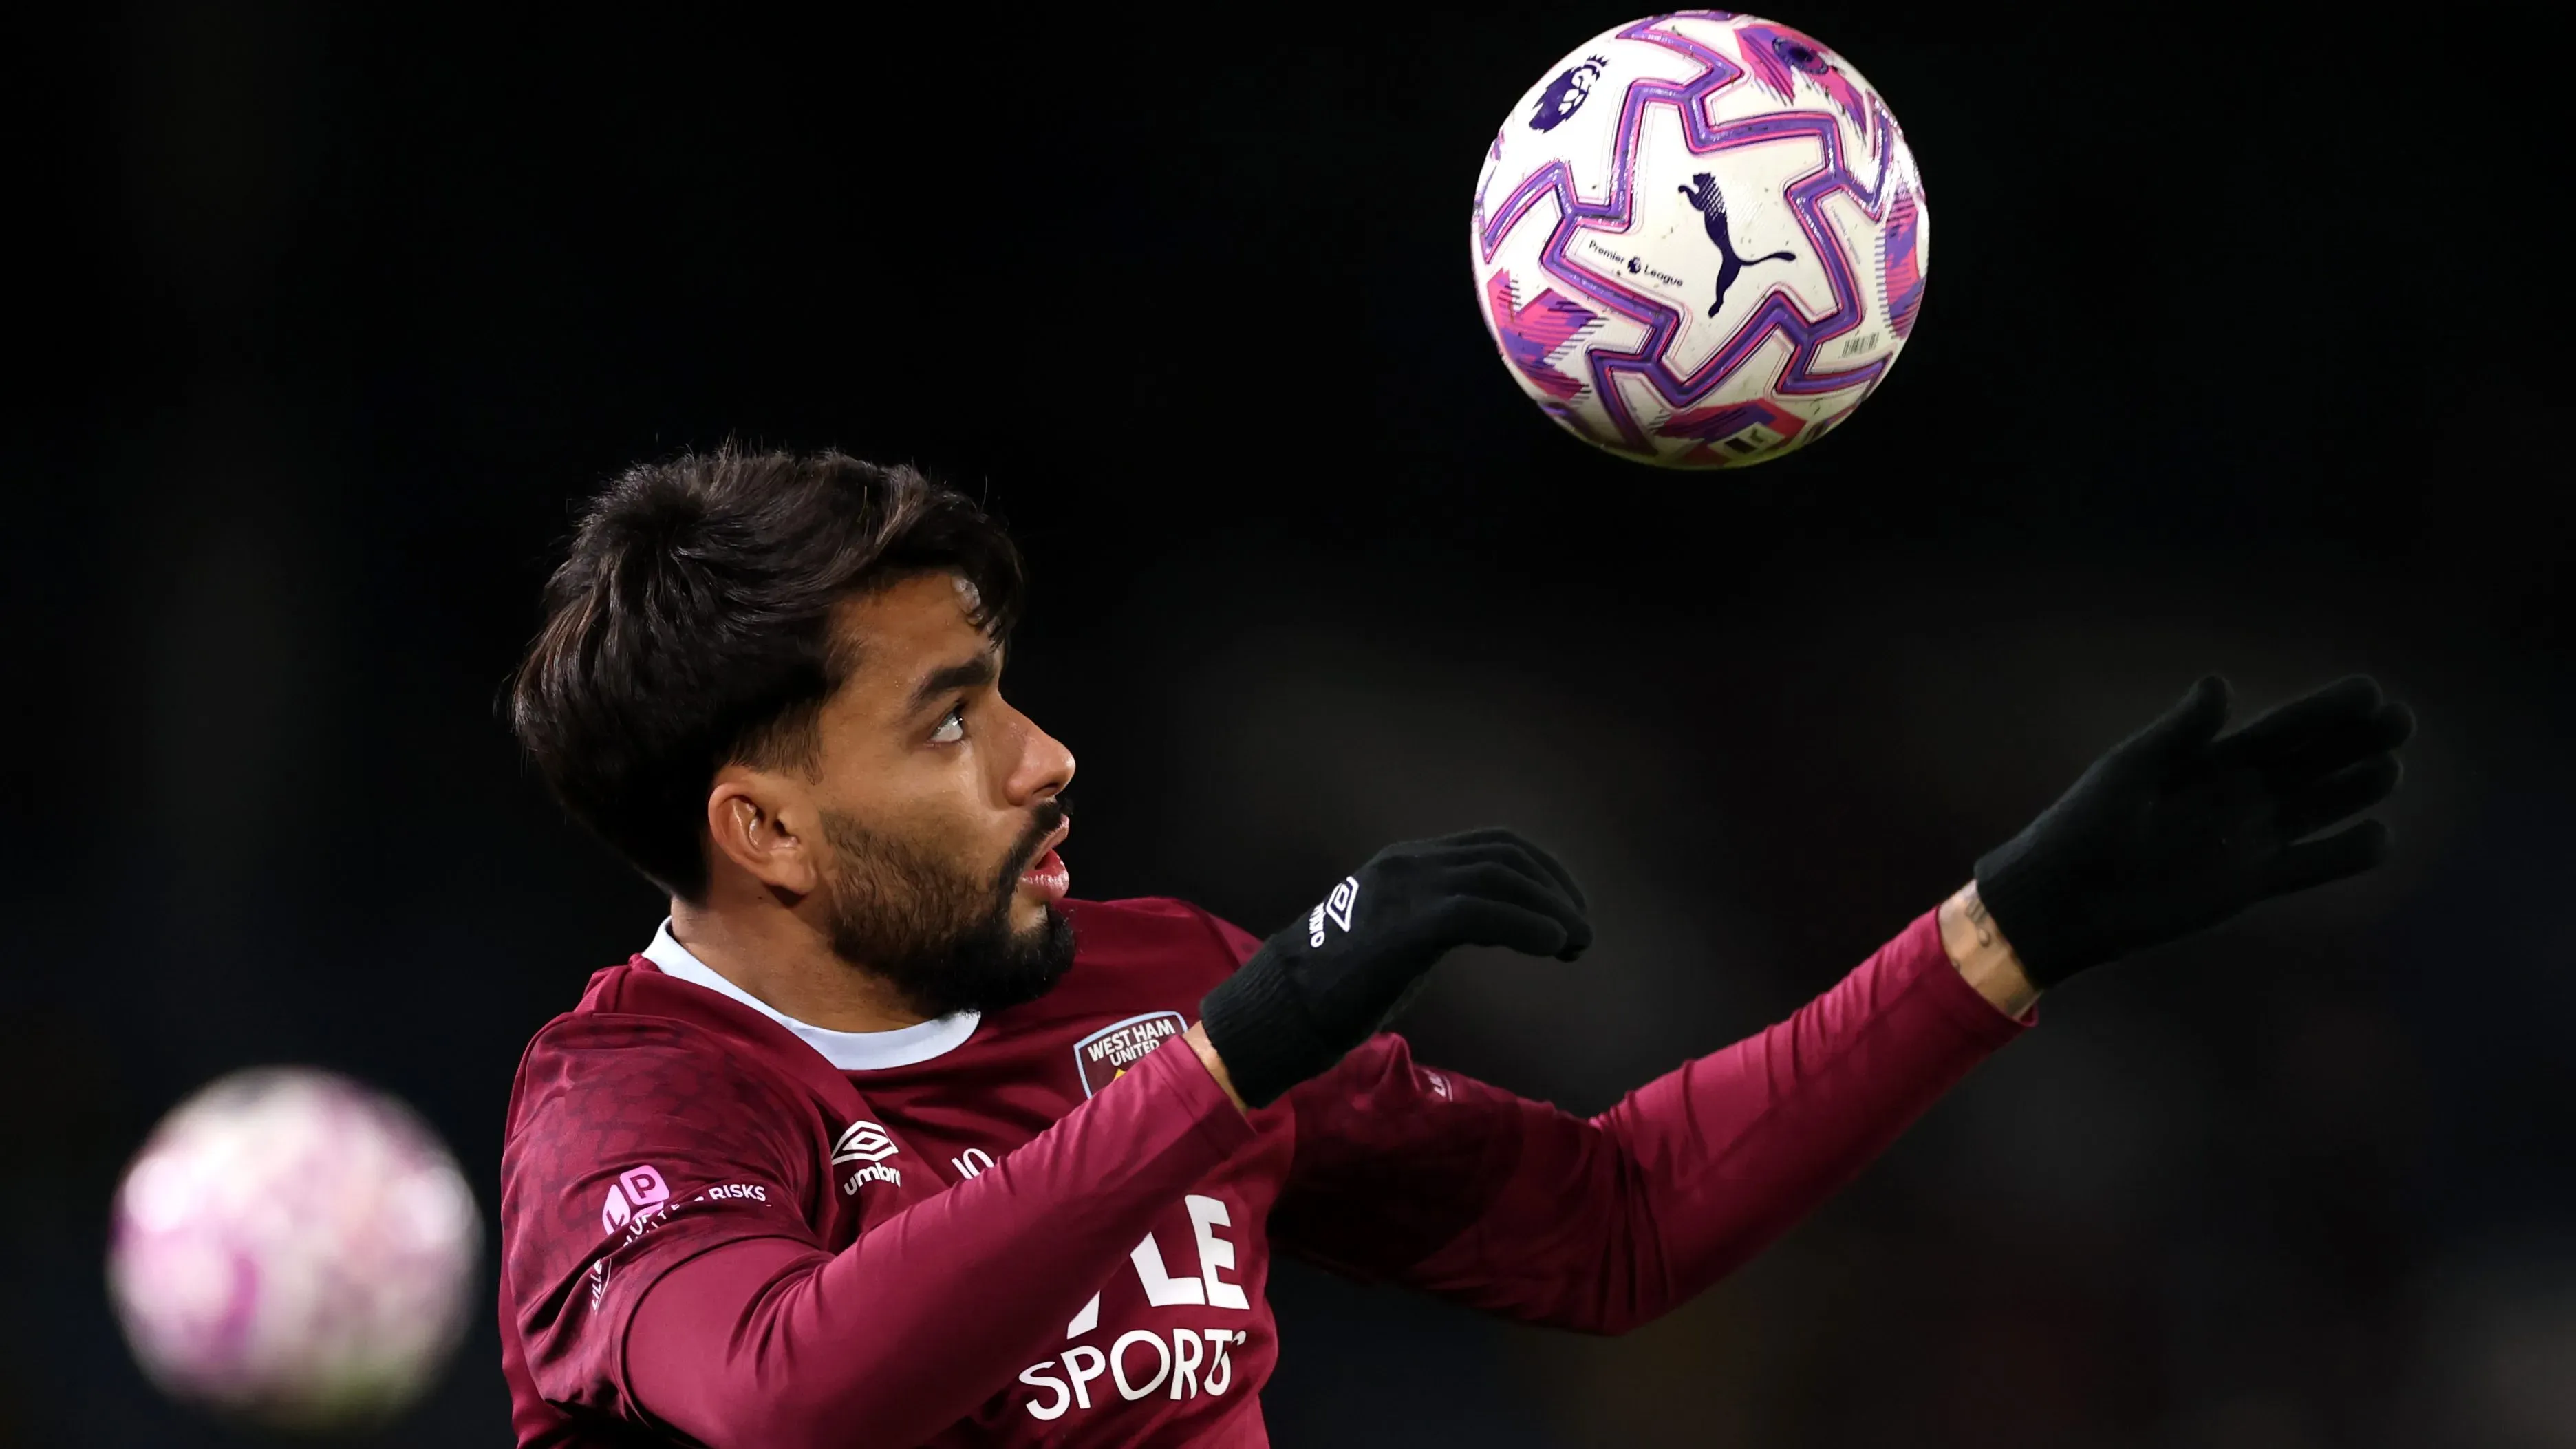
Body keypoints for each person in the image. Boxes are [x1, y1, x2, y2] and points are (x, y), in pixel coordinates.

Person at [497, 446, 2413, 1448]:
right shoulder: (637, 1100)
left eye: (1009, 691)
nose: (1043, 757)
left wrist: (2003, 938)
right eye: (947, 722)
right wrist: (1225, 1066)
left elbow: (1610, 1224)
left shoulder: (1148, 986)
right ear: (762, 831)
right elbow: (790, 1398)